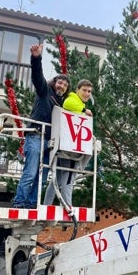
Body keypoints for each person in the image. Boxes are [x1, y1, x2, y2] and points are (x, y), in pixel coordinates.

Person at [12, 44, 71, 209]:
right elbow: (37, 76)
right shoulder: (44, 91)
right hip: (36, 136)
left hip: (50, 143)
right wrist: (36, 58)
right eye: (59, 82)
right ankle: (19, 202)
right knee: (30, 173)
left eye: (65, 85)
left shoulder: (62, 103)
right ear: (54, 83)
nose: (62, 86)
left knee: (42, 177)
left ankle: (31, 204)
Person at [43, 79, 93, 207]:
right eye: (84, 90)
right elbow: (68, 103)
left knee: (57, 179)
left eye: (89, 91)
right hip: (71, 148)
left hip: (66, 146)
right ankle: (68, 209)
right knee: (68, 179)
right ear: (77, 90)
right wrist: (84, 110)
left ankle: (47, 204)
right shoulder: (73, 98)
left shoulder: (77, 101)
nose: (87, 94)